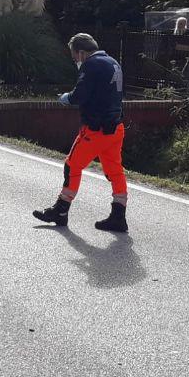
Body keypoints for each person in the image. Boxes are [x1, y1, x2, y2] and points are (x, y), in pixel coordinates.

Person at [33, 33, 129, 233]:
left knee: (72, 165)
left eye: (75, 57)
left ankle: (60, 210)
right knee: (115, 170)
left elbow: (80, 95)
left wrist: (65, 97)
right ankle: (119, 214)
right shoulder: (113, 63)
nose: (75, 61)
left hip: (95, 130)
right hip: (115, 127)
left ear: (82, 53)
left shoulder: (91, 65)